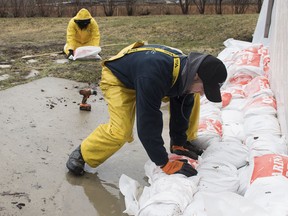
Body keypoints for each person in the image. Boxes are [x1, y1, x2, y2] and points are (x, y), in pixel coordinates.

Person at [66, 41, 227, 177]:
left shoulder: (187, 70)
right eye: (204, 88)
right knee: (121, 131)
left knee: (192, 96)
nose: (203, 92)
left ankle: (182, 142)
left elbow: (182, 103)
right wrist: (163, 162)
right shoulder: (153, 76)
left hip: (145, 72)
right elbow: (147, 123)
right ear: (197, 75)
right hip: (119, 79)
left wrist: (178, 142)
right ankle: (82, 154)